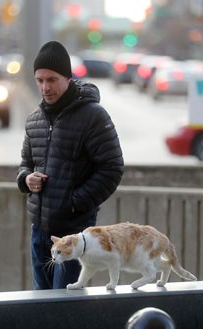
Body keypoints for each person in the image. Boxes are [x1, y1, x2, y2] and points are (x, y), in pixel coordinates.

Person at [16, 41, 124, 290]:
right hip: (39, 233)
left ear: (68, 77)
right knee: (38, 308)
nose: (45, 87)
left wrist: (74, 202)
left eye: (52, 79)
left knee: (63, 309)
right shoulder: (35, 120)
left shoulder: (93, 116)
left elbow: (112, 168)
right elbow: (25, 163)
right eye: (40, 80)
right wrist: (26, 179)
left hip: (75, 237)